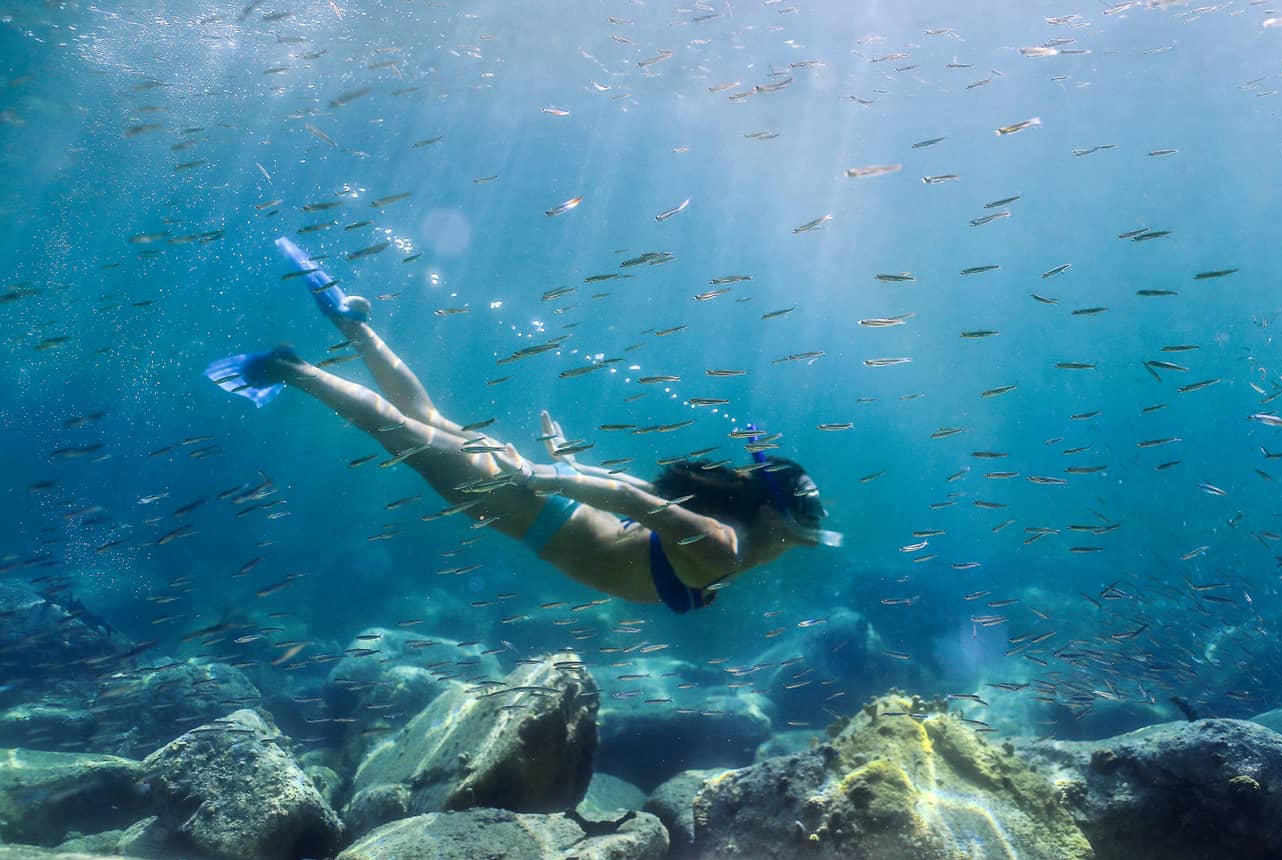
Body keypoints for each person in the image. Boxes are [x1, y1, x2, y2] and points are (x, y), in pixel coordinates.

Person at [204, 237, 841, 613]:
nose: (808, 541)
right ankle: (290, 369)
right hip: (526, 503)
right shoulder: (722, 546)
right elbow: (624, 502)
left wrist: (563, 465)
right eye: (804, 527)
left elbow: (631, 502)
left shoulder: (736, 542)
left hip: (542, 491)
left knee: (421, 419)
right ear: (775, 519)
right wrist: (541, 473)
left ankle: (348, 318)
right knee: (397, 432)